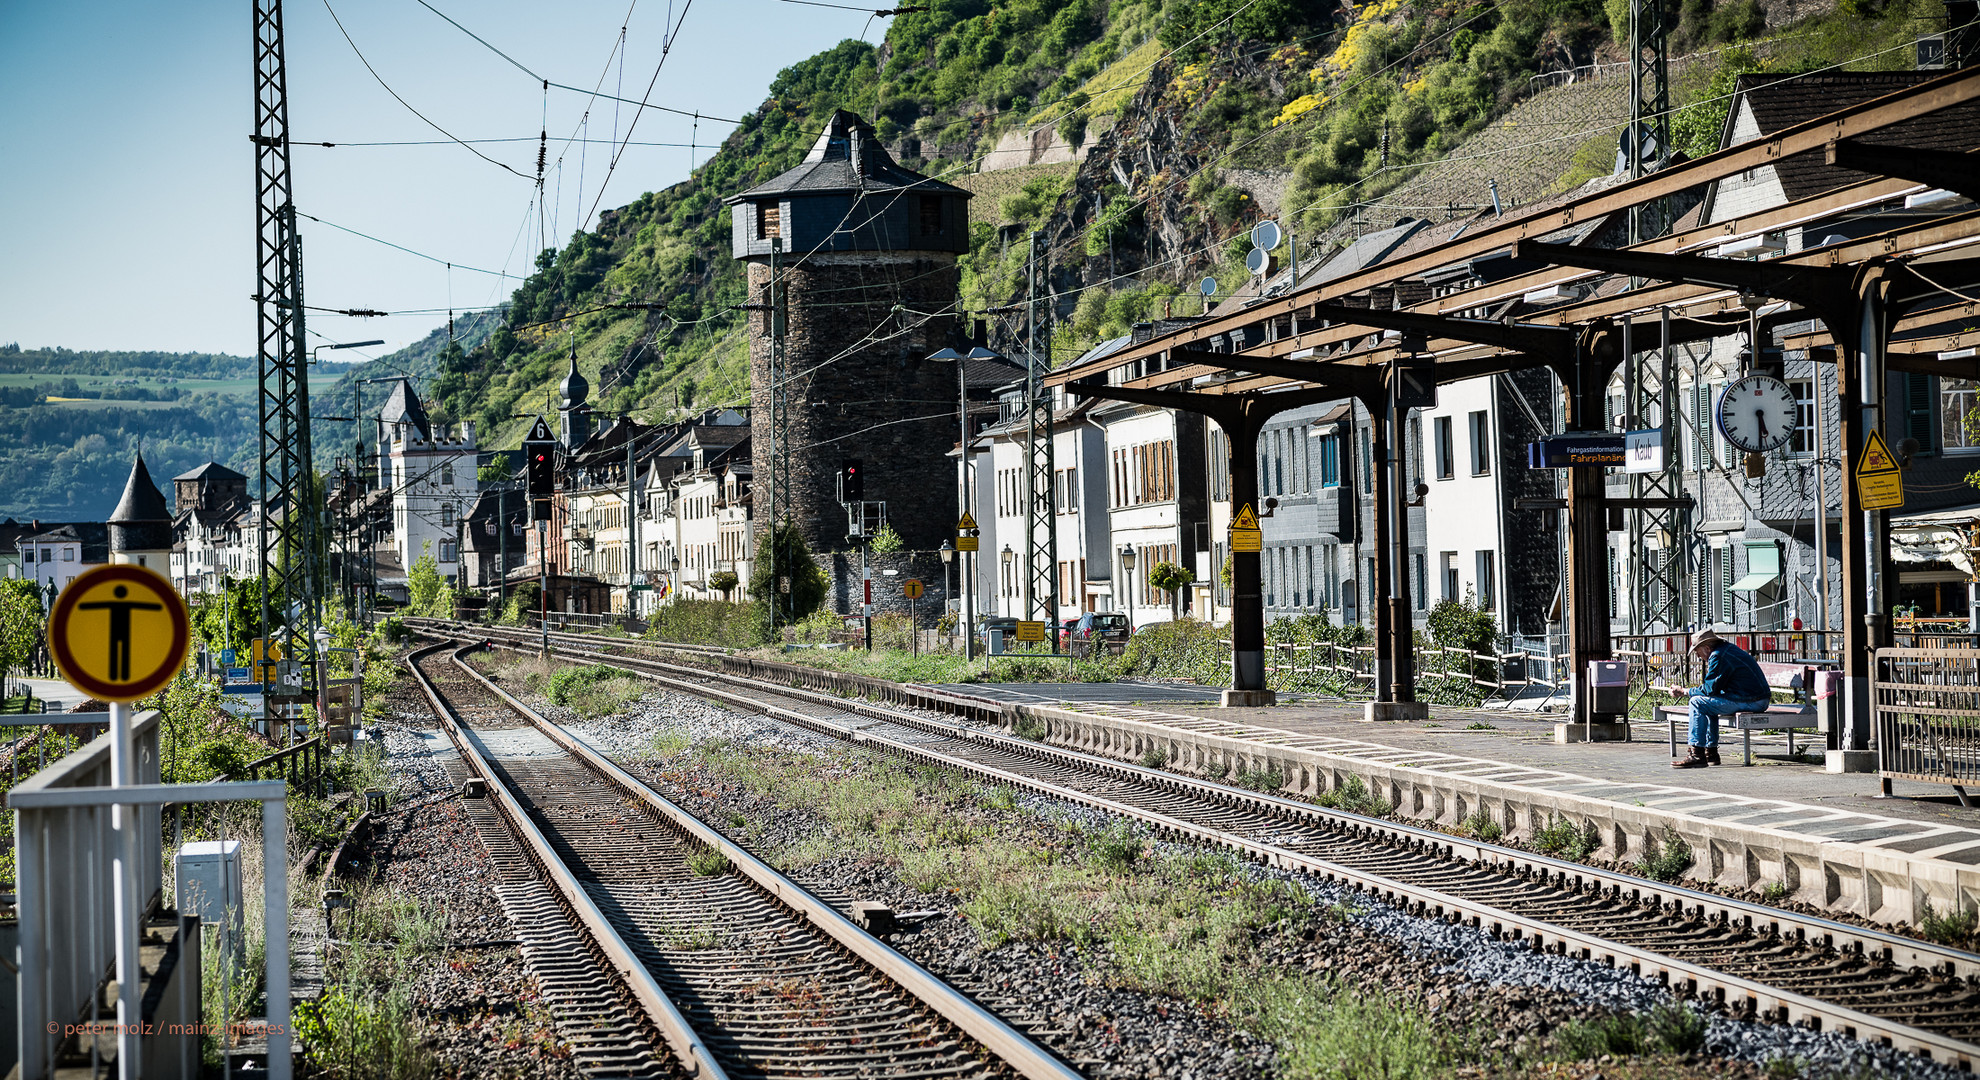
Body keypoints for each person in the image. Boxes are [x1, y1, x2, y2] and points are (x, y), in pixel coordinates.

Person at [1666, 627, 1770, 768]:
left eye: (1697, 651)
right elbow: (1713, 690)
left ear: (1707, 648)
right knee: (1707, 704)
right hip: (1755, 698)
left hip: (1752, 700)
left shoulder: (1718, 655)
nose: (1697, 656)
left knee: (1697, 702)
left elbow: (1709, 689)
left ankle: (1697, 754)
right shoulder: (1727, 650)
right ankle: (1711, 753)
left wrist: (1684, 691)